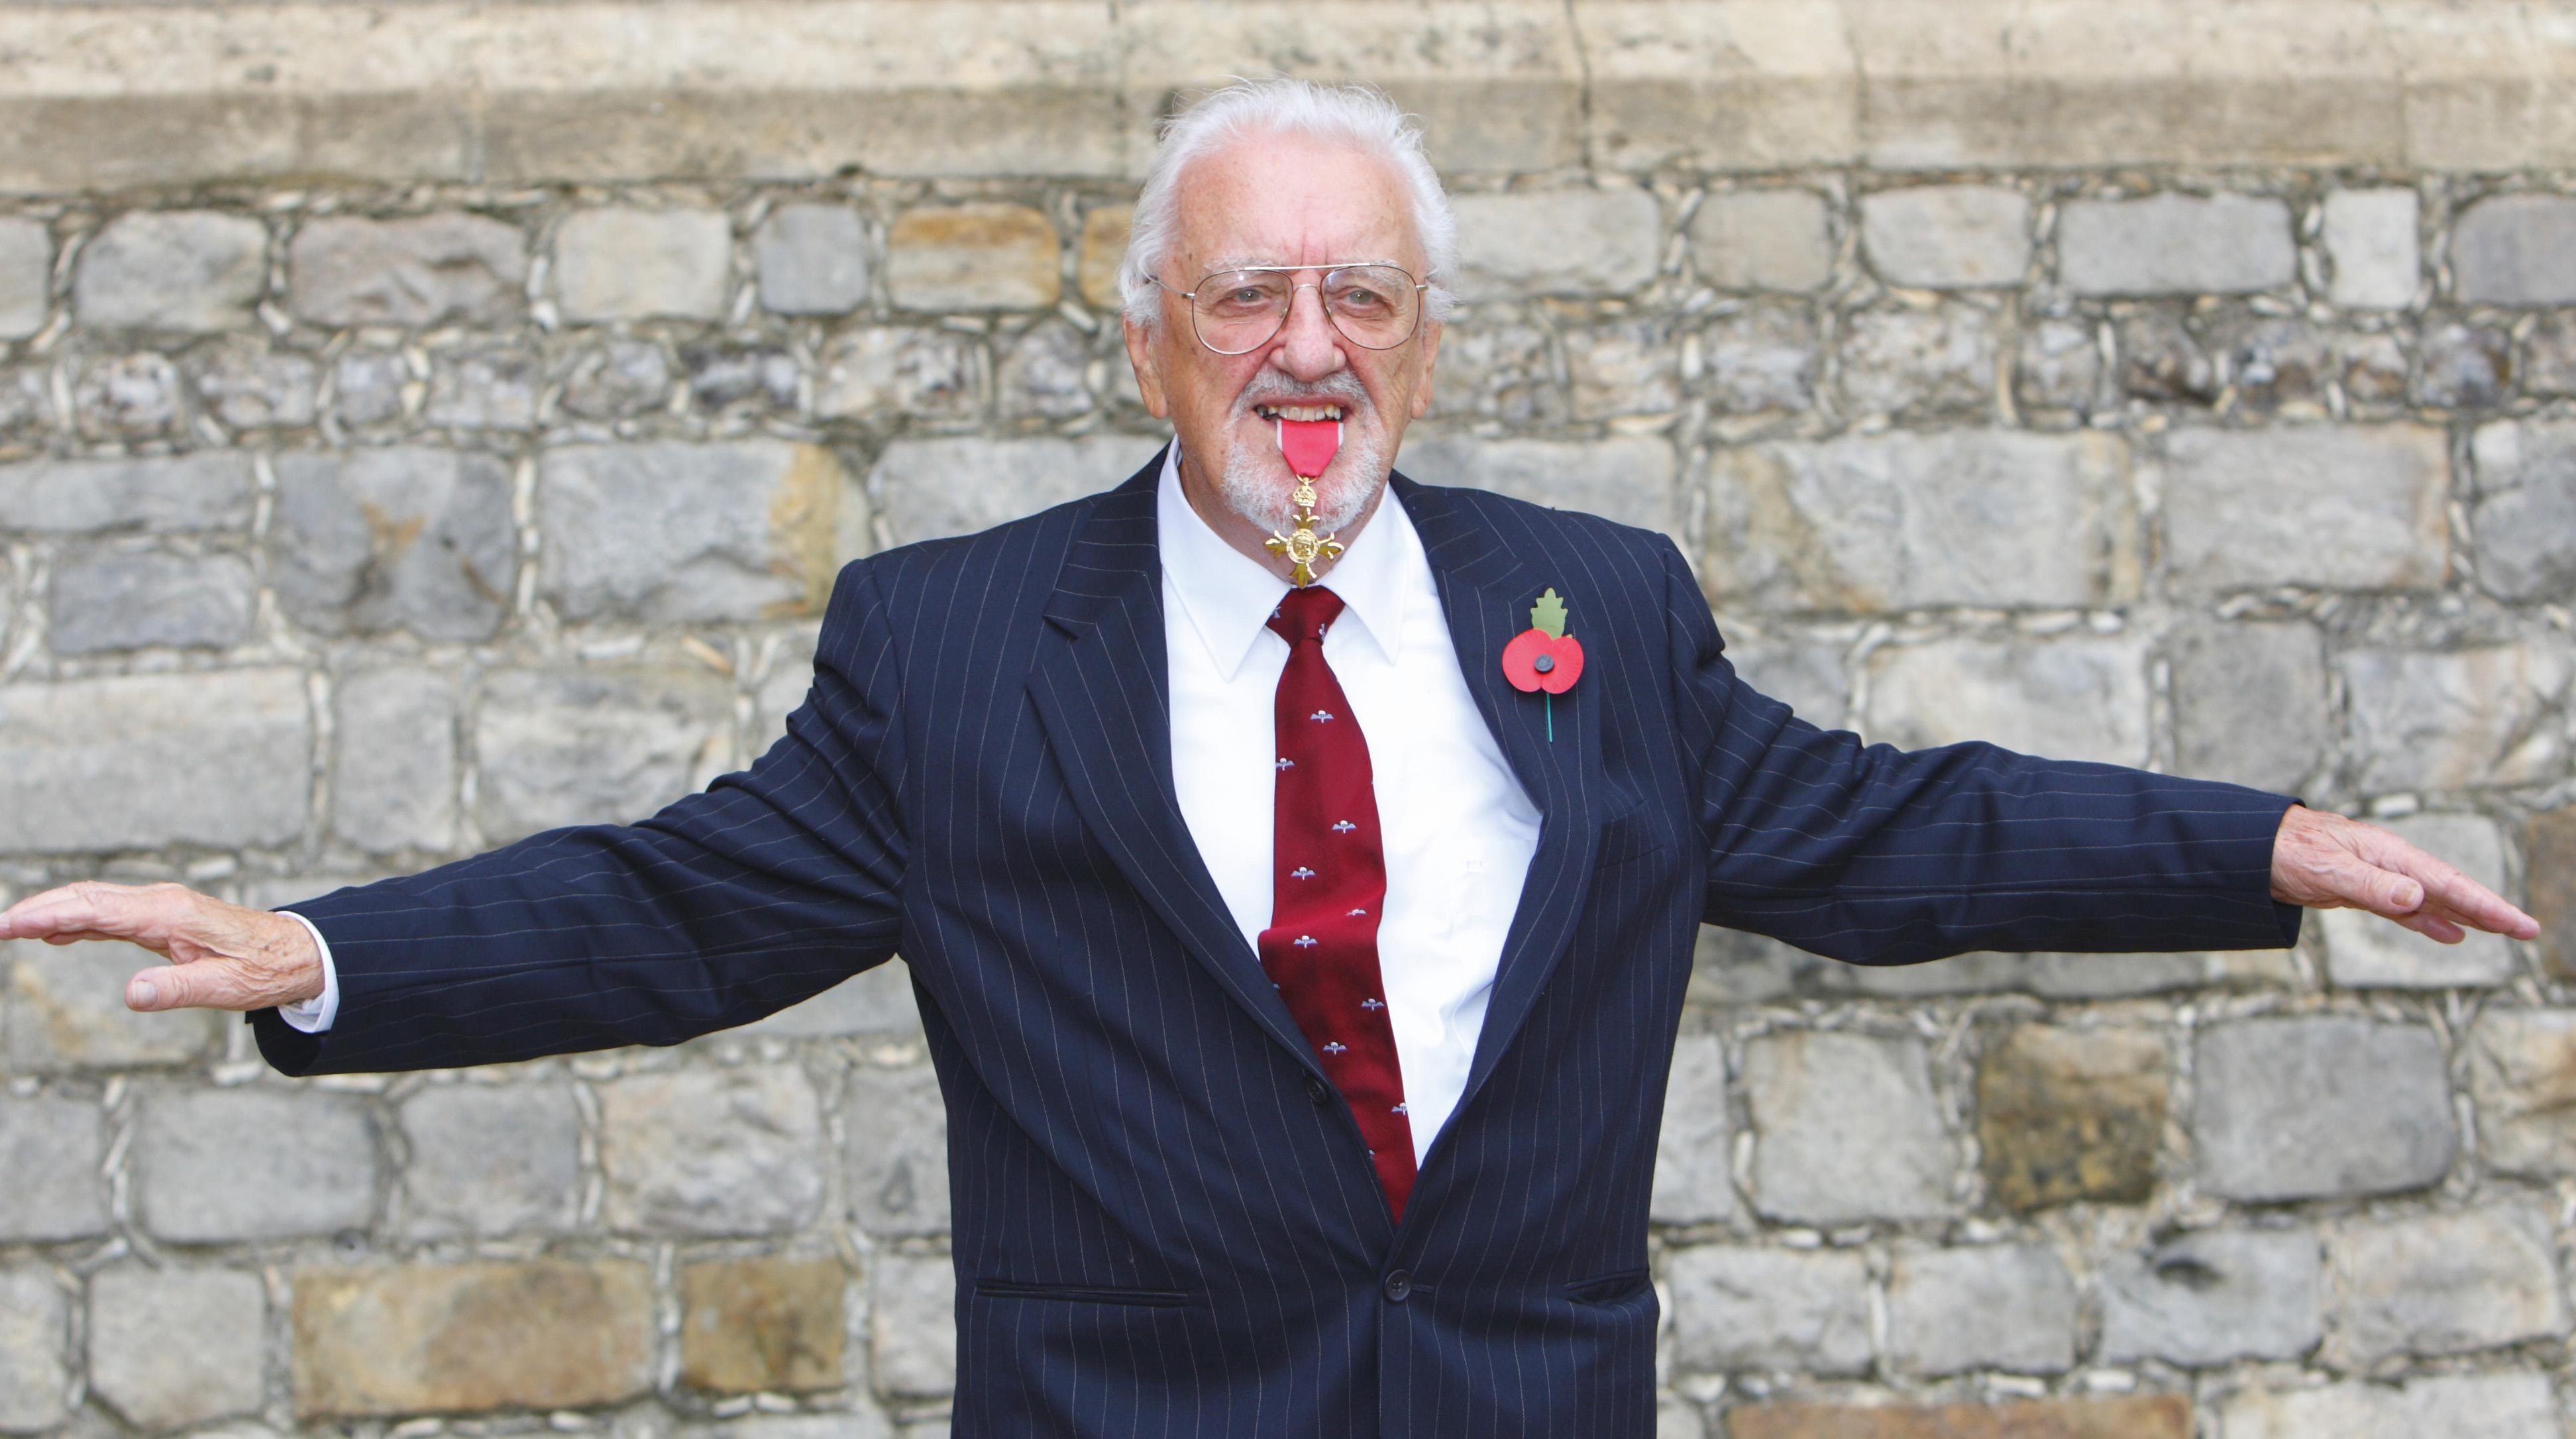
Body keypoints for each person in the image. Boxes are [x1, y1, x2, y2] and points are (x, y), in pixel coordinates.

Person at [0, 80, 2536, 1437]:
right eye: (1250, 289)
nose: (1306, 342)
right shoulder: (959, 636)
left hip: (1520, 1405)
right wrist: (319, 952)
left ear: (1424, 348)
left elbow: (1889, 830)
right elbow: (689, 906)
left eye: (1364, 293)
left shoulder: (1600, 607)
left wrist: (2270, 847)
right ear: (1150, 340)